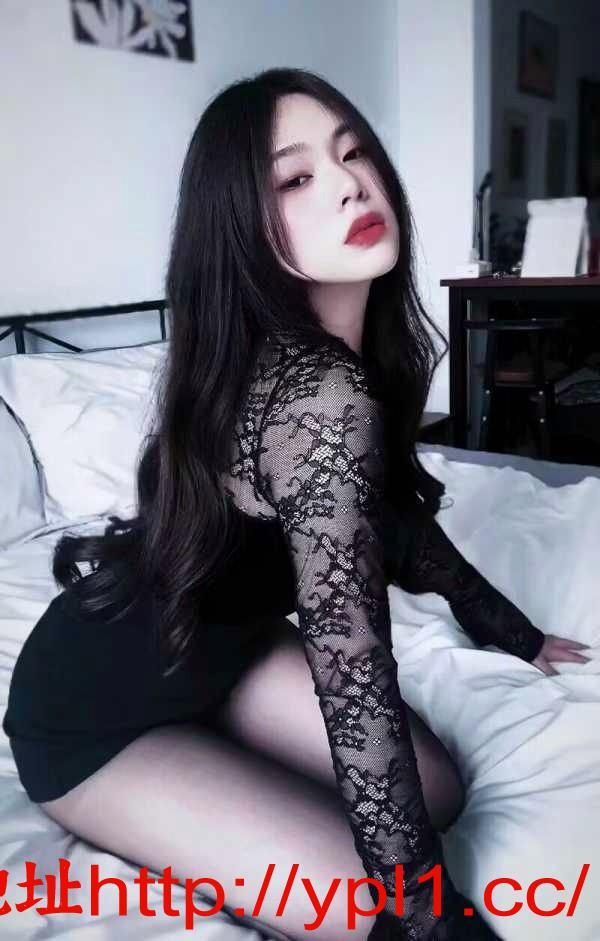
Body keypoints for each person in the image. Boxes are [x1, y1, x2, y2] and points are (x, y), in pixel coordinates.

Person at [3, 68, 590, 941]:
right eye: (296, 178)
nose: (350, 183)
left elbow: (396, 527)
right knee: (371, 908)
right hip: (93, 713)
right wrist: (425, 917)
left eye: (354, 153)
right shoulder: (316, 392)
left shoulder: (341, 364)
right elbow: (353, 671)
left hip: (219, 652)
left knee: (441, 791)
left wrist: (515, 633)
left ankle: (219, 741)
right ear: (242, 227)